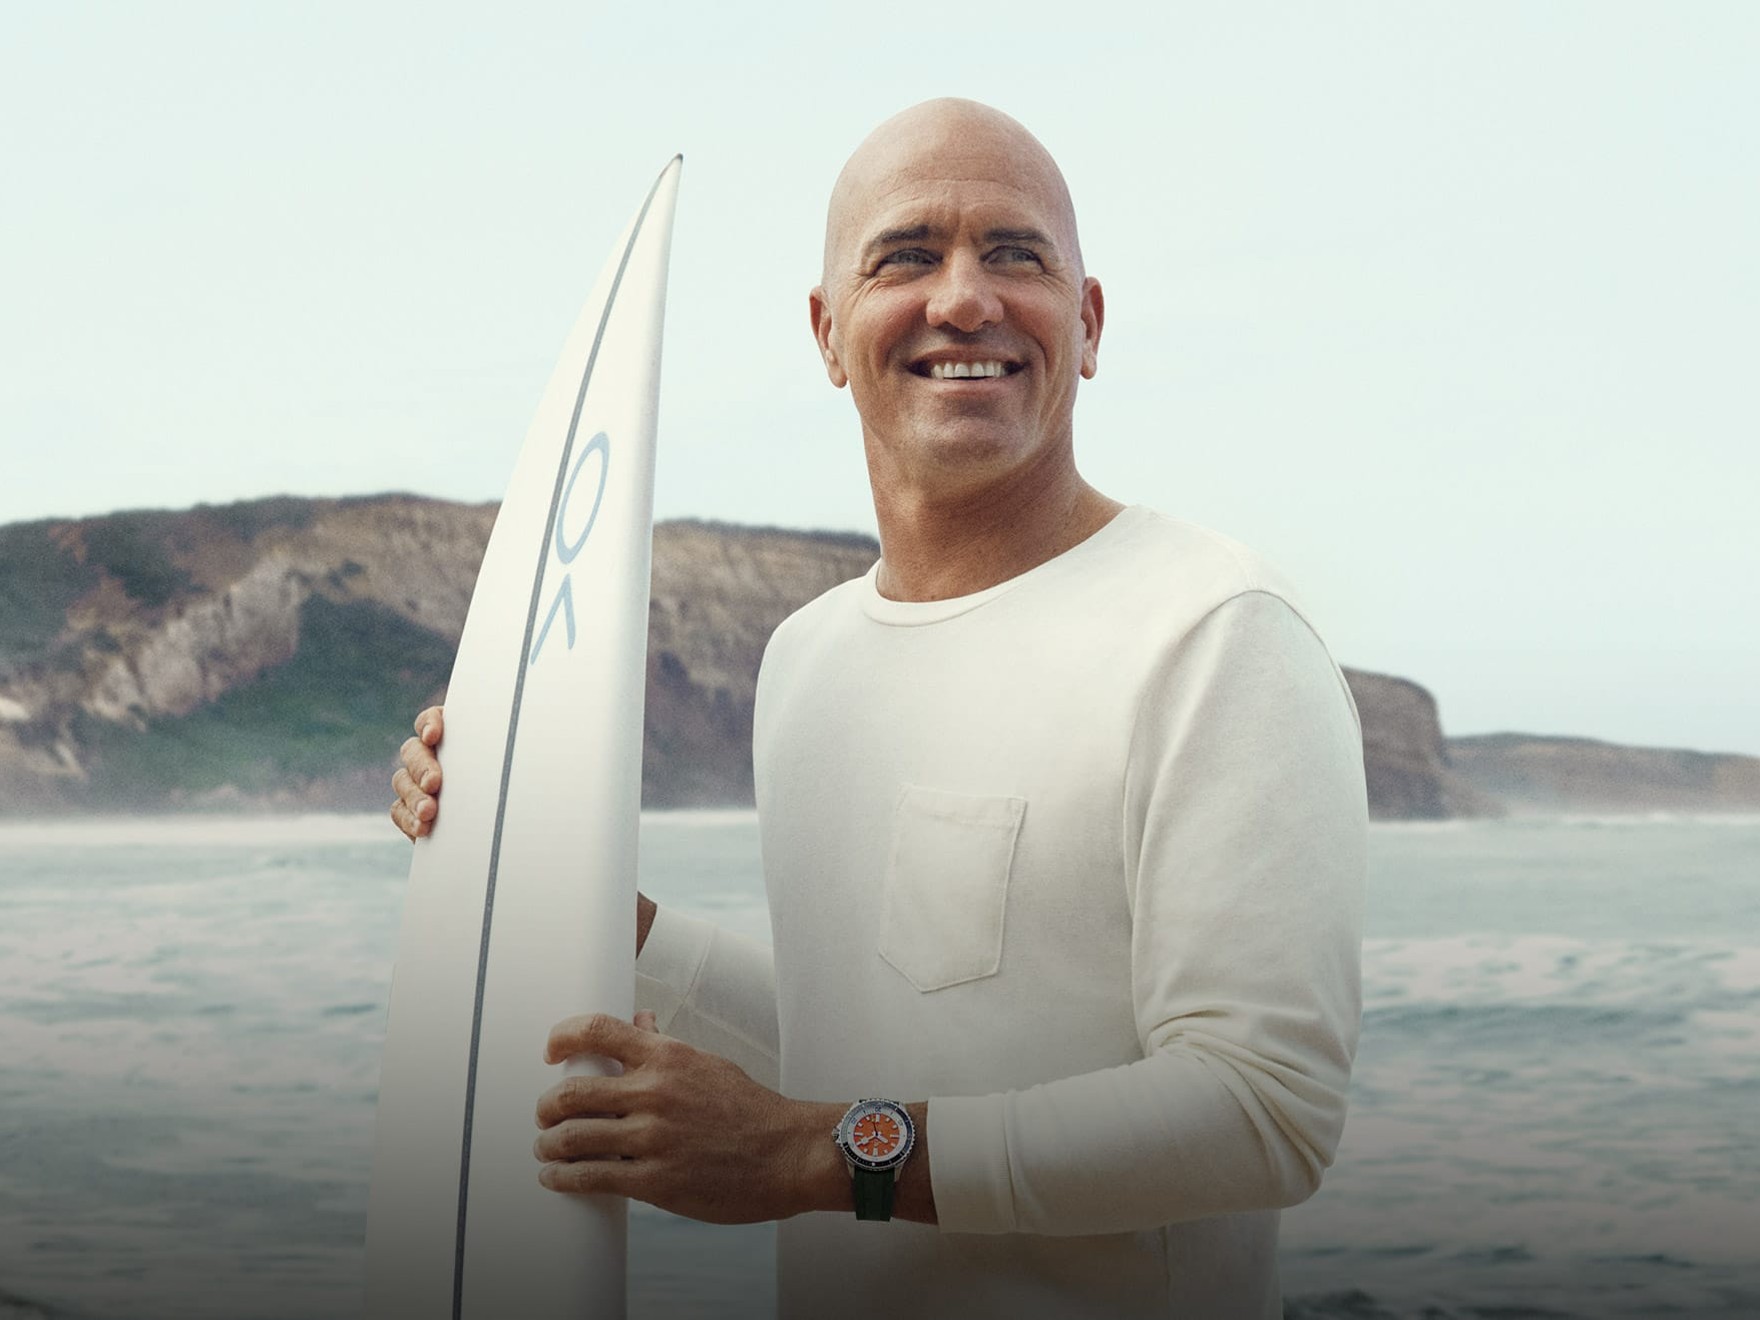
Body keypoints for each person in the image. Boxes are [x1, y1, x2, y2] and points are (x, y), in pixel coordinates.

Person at [390, 97, 1366, 1320]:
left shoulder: (1213, 634)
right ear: (827, 331)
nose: (964, 298)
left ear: (1090, 321)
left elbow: (1262, 1110)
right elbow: (874, 1046)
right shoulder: (806, 663)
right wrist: (580, 904)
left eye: (1015, 254)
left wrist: (812, 1156)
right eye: (906, 256)